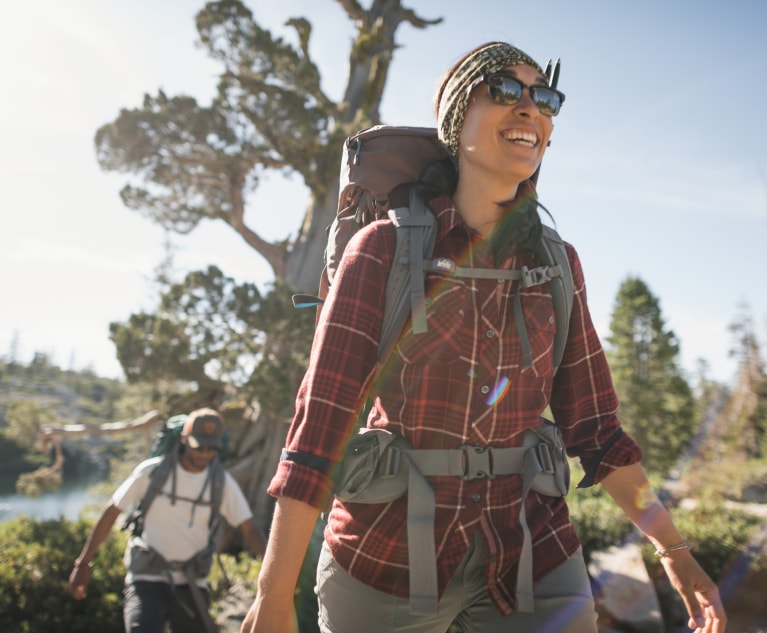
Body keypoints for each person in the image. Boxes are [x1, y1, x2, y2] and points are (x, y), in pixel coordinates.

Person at [241, 41, 726, 633]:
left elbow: (597, 430)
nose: (530, 109)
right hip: (385, 563)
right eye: (502, 91)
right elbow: (319, 431)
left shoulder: (556, 264)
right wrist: (271, 596)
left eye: (544, 98)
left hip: (534, 557)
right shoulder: (382, 251)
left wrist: (676, 555)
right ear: (455, 121)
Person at [69, 407, 267, 633]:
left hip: (192, 585)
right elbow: (111, 512)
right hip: (146, 579)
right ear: (184, 439)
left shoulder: (221, 483)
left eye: (211, 447)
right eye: (198, 445)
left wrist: (275, 574)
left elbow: (249, 529)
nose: (204, 453)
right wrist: (83, 564)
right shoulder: (151, 473)